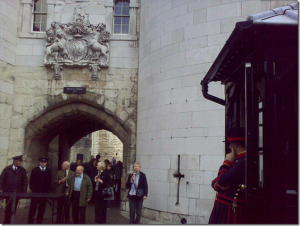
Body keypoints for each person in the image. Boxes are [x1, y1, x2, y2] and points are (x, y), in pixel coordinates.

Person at [208, 127, 246, 224]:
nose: (229, 147)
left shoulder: (243, 162)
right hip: (223, 206)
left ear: (235, 144)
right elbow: (216, 180)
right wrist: (216, 185)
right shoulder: (237, 160)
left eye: (230, 144)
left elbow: (221, 179)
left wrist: (226, 162)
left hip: (229, 209)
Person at [0, 155, 28, 224]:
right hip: (8, 192)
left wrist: (23, 191)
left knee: (14, 208)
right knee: (8, 207)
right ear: (15, 162)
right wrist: (1, 189)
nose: (21, 162)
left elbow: (25, 181)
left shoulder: (22, 170)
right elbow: (1, 180)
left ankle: (11, 222)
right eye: (19, 161)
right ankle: (6, 222)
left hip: (17, 192)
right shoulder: (7, 169)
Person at [28, 157, 52, 224]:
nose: (43, 163)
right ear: (40, 162)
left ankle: (39, 221)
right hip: (36, 192)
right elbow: (31, 181)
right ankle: (30, 220)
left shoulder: (48, 171)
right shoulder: (35, 170)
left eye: (44, 162)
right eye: (42, 162)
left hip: (44, 193)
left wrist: (47, 191)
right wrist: (33, 189)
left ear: (46, 163)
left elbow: (49, 181)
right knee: (33, 207)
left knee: (42, 208)